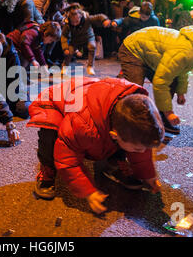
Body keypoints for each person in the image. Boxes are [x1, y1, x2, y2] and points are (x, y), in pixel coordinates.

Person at [27, 77, 164, 214]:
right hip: (54, 101)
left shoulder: (132, 110)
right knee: (51, 136)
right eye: (139, 149)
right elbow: (68, 158)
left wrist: (148, 175)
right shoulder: (82, 124)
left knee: (130, 140)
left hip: (89, 96)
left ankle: (115, 162)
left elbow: (141, 147)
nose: (143, 151)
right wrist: (88, 191)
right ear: (114, 135)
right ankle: (47, 170)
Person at [118, 25, 193, 135]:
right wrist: (168, 112)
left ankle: (161, 120)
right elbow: (161, 82)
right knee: (135, 92)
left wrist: (180, 91)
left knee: (172, 81)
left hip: (150, 53)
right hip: (133, 50)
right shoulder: (185, 51)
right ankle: (125, 125)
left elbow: (181, 70)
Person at [61, 3, 110, 76]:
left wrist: (105, 20)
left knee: (92, 46)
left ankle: (90, 66)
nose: (74, 24)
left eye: (76, 21)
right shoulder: (67, 24)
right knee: (69, 52)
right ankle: (65, 67)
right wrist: (65, 48)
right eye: (72, 22)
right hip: (75, 40)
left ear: (80, 16)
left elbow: (99, 16)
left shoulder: (88, 19)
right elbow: (64, 36)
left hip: (88, 38)